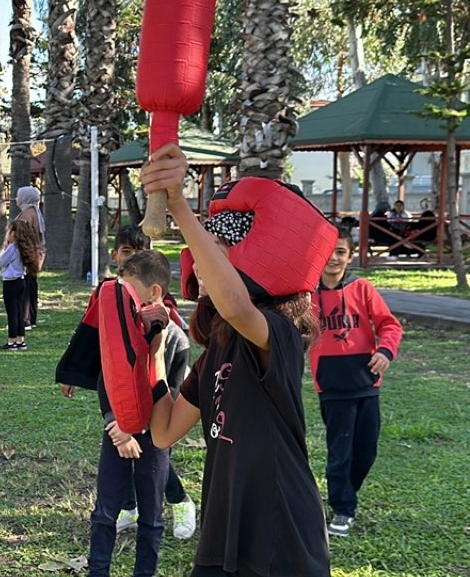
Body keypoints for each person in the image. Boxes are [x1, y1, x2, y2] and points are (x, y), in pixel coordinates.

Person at [140, 143, 331, 577]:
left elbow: (237, 307)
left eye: (213, 253)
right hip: (224, 532)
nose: (198, 266)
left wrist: (180, 207)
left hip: (283, 535)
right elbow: (165, 432)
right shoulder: (215, 357)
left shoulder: (278, 336)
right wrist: (151, 358)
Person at [68, 227, 197, 541]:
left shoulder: (166, 324)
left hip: (156, 407)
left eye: (139, 252)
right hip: (120, 403)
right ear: (115, 257)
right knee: (121, 449)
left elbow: (167, 377)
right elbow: (91, 337)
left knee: (151, 453)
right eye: (127, 252)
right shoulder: (109, 297)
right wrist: (72, 373)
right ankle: (129, 507)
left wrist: (136, 424)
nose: (132, 259)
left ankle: (179, 500)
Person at [85, 249, 190, 577]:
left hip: (153, 441)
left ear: (154, 292)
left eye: (127, 288)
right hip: (117, 436)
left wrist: (138, 431)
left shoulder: (177, 340)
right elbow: (106, 378)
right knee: (105, 512)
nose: (121, 293)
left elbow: (170, 395)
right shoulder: (118, 327)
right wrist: (115, 424)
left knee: (151, 518)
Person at [309, 229, 403, 537]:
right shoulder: (306, 295)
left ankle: (346, 493)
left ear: (350, 256)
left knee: (366, 450)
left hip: (365, 381)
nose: (334, 259)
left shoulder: (362, 289)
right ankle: (342, 508)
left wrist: (386, 351)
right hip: (332, 385)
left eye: (341, 252)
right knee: (341, 451)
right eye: (329, 252)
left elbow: (389, 324)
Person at [0, 219, 42, 351]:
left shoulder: (12, 248)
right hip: (21, 281)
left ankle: (11, 341)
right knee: (20, 310)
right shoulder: (23, 248)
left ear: (13, 233)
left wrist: (5, 246)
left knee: (12, 312)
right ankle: (20, 340)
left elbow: (2, 262)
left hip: (10, 282)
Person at [14, 185, 46, 329]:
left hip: (28, 254)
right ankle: (31, 319)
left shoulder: (27, 214)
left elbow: (22, 236)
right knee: (31, 286)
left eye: (19, 196)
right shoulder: (34, 211)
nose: (16, 199)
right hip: (35, 254)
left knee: (25, 288)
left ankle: (25, 319)